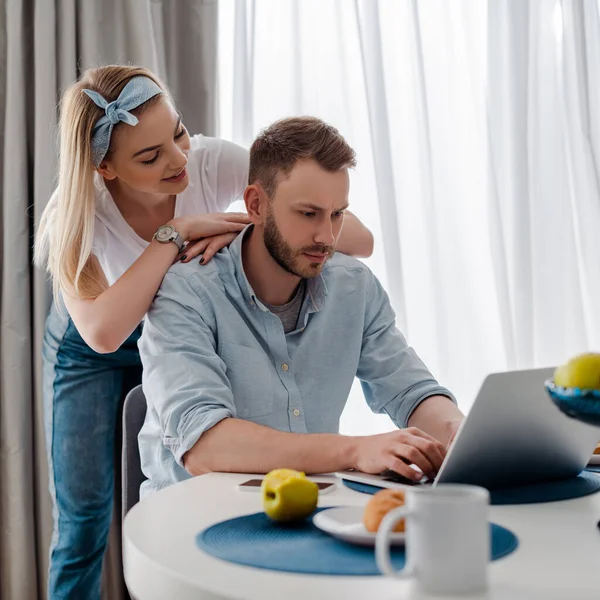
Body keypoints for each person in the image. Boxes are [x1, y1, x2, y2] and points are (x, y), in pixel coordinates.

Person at [34, 67, 373, 600]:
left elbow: (356, 238)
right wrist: (177, 236)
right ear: (105, 168)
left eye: (178, 131)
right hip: (94, 349)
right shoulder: (75, 215)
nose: (178, 159)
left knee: (213, 483)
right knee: (83, 521)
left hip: (183, 329)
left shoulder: (212, 160)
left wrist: (246, 219)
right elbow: (102, 331)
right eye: (149, 156)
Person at [138, 116, 464, 497]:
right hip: (192, 522)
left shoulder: (353, 286)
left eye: (337, 214)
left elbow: (410, 390)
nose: (327, 237)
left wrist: (458, 432)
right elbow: (204, 446)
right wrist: (356, 450)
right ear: (256, 205)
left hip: (306, 510)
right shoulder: (186, 291)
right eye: (309, 214)